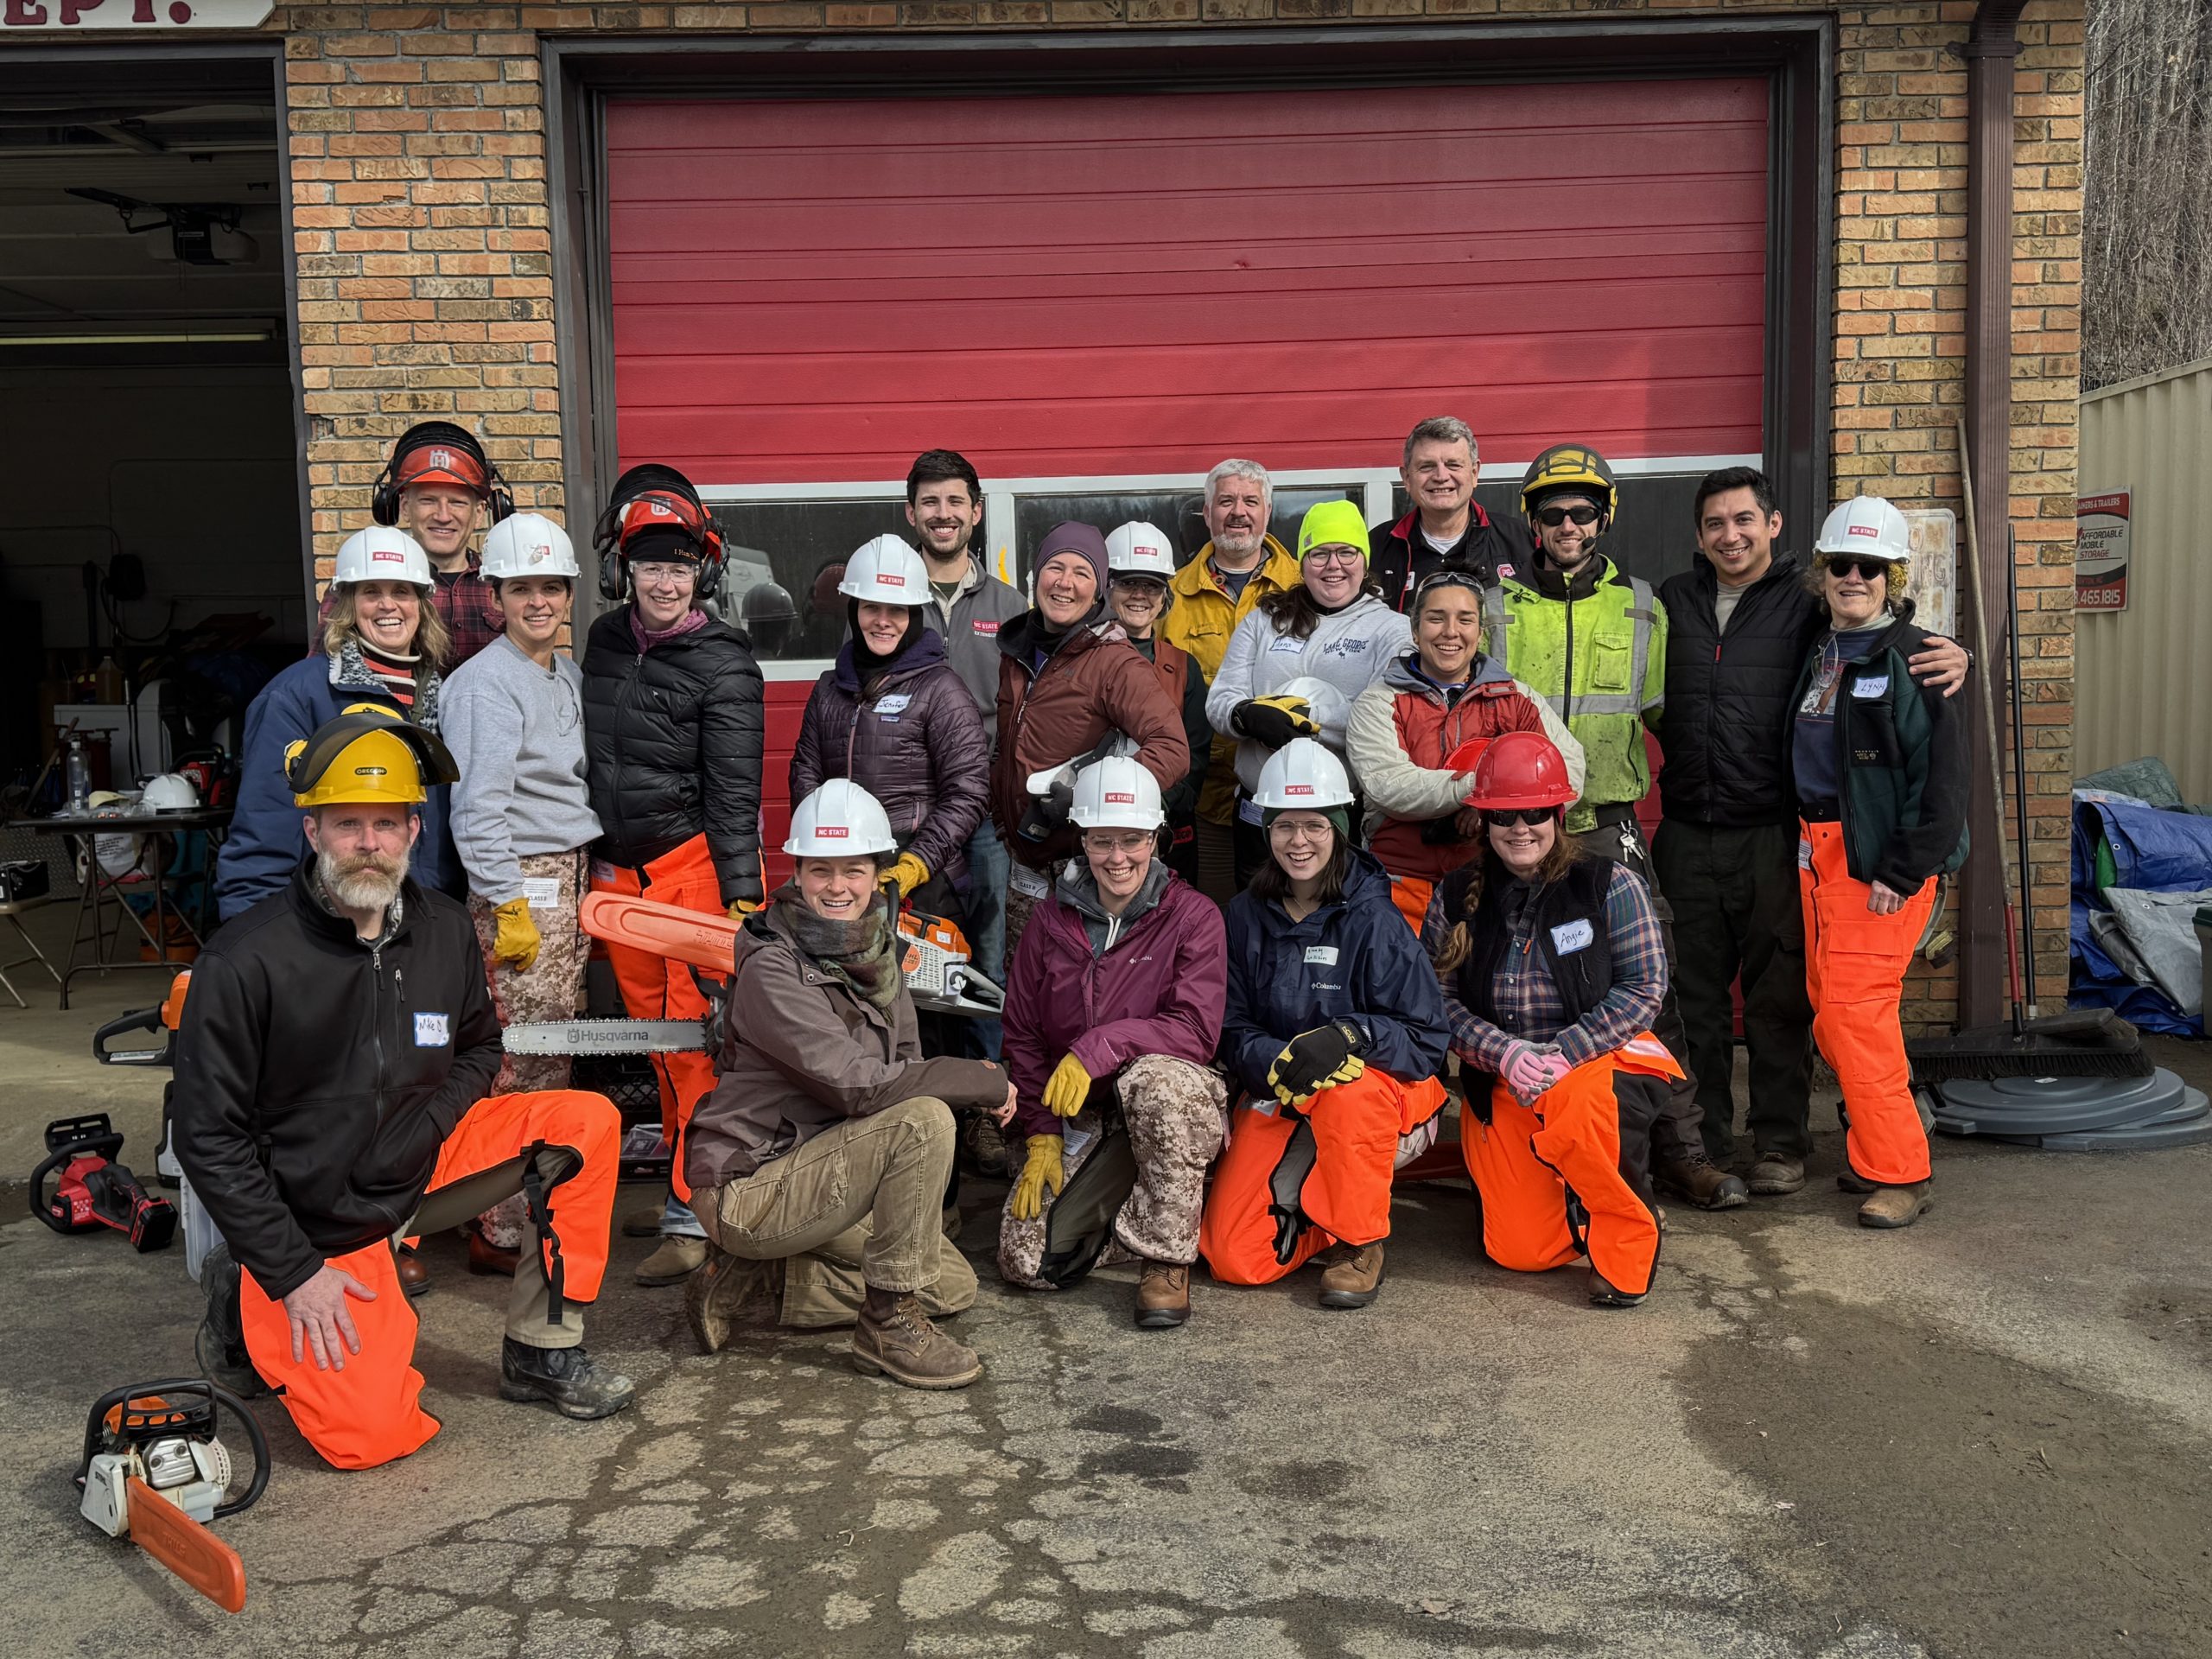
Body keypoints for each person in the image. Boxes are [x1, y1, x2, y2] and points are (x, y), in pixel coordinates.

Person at [174, 709, 629, 1471]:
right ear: (312, 830)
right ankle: (246, 1286)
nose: (369, 843)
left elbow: (481, 1046)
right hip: (319, 1223)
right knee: (371, 1440)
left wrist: (433, 1122)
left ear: (415, 832)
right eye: (347, 823)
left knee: (583, 1122)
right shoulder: (246, 962)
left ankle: (543, 1350)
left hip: (418, 1166)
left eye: (387, 823)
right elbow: (207, 1138)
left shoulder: (445, 930)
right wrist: (295, 1272)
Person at [1654, 467, 1968, 1197]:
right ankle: (1703, 1147)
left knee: (1785, 1003)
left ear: (1773, 525)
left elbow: (1899, 647)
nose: (1729, 535)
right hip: (1698, 831)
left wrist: (1955, 653)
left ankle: (1784, 1146)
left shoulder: (1809, 610)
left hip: (1781, 836)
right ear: (1700, 536)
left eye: (1743, 520)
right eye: (1714, 524)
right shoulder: (1675, 601)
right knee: (1698, 1000)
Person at [682, 780, 1019, 1388]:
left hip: (818, 1167)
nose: (838, 887)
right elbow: (862, 1086)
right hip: (751, 1184)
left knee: (950, 1285)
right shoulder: (772, 966)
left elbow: (907, 1058)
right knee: (924, 1119)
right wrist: (983, 1081)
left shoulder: (878, 949)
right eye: (820, 871)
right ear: (799, 871)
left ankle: (761, 1285)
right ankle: (886, 1326)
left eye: (854, 870)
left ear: (878, 873)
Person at [1491, 443, 1745, 1211]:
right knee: (1512, 983)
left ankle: (1682, 1151)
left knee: (1650, 988)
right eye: (1552, 512)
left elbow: (1677, 714)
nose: (1568, 524)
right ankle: (1523, 1152)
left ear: (1604, 517)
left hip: (1605, 825)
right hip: (1516, 827)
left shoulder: (1641, 605)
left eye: (1581, 511)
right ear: (1532, 522)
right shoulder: (1495, 606)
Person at [582, 463, 765, 1287]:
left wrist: (739, 894)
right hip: (617, 876)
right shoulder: (603, 641)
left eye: (680, 566)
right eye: (650, 563)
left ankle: (699, 1217)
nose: (664, 579)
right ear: (625, 570)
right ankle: (688, 1197)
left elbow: (734, 792)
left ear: (705, 573)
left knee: (697, 1047)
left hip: (688, 871)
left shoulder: (725, 663)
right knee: (655, 1048)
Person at [1422, 731, 1683, 1308]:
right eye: (1506, 815)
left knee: (1580, 1109)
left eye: (1536, 812)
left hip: (1600, 1062)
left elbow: (1646, 987)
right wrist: (1505, 1054)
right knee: (1520, 1251)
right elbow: (1438, 1002)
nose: (1522, 828)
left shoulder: (1610, 884)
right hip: (1508, 1076)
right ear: (1484, 821)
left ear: (1558, 813)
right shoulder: (1454, 894)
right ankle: (1568, 1198)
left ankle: (1626, 1247)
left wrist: (1566, 1051)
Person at [1199, 739, 1450, 1308]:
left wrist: (1349, 1037)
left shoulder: (1374, 918)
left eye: (1315, 825)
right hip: (1285, 1090)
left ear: (1340, 826)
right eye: (1284, 826)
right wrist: (1271, 1061)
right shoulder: (1242, 916)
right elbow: (1230, 1021)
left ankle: (1360, 1241)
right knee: (1234, 1258)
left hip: (1380, 1097)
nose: (1299, 842)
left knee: (1350, 1094)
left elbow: (1427, 1039)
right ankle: (1318, 1216)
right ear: (1266, 831)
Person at [996, 757, 1229, 1327]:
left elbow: (1196, 1031)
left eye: (1133, 840)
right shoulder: (1051, 920)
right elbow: (1023, 1034)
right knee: (1026, 1260)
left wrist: (1098, 1045)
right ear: (1082, 839)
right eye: (1103, 841)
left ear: (1156, 838)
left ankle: (1166, 1258)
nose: (1118, 857)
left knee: (1154, 1078)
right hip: (1091, 1120)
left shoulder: (1193, 916)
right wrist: (1042, 1135)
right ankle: (1149, 1206)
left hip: (1173, 1103)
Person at [1791, 497, 1968, 1229]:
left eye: (1869, 567)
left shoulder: (1917, 659)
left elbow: (1944, 780)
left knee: (1856, 1016)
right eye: (1841, 565)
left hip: (1878, 865)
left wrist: (1904, 869)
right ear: (1823, 573)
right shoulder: (1822, 648)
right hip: (1815, 854)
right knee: (1832, 1018)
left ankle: (1904, 1172)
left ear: (1893, 576)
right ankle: (1873, 1149)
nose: (1853, 577)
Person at [442, 512, 601, 1275]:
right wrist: (505, 901)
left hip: (569, 878)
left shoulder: (561, 673)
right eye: (522, 587)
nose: (539, 600)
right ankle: (494, 1228)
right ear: (495, 594)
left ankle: (531, 1208)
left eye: (551, 586)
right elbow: (476, 807)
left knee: (556, 1052)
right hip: (523, 884)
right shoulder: (485, 685)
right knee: (517, 1058)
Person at [790, 534, 990, 1050]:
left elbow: (968, 790)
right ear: (853, 608)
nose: (884, 620)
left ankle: (953, 1122)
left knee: (927, 1018)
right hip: (847, 876)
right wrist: (827, 854)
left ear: (915, 614)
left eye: (897, 610)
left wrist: (918, 862)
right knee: (846, 1005)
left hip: (923, 880)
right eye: (872, 607)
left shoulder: (941, 689)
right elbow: (805, 773)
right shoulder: (829, 688)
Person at [217, 524, 464, 923]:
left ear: (422, 604)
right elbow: (264, 832)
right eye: (371, 592)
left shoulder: (447, 696)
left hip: (424, 921)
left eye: (402, 591)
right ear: (348, 604)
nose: (388, 606)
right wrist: (252, 939)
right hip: (331, 925)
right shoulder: (297, 696)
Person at [1344, 564, 1584, 931]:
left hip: (1495, 880)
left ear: (1481, 632)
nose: (1450, 632)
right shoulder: (1379, 701)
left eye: (1465, 619)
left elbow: (1568, 771)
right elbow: (1388, 784)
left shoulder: (1515, 698)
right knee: (1401, 986)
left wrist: (1494, 811)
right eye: (1436, 619)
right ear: (1414, 629)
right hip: (1402, 883)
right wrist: (1478, 790)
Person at [989, 520, 1189, 953]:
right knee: (1027, 989)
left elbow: (1172, 750)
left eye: (1082, 573)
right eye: (1054, 568)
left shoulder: (1115, 662)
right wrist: (1004, 822)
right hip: (1024, 862)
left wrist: (1089, 796)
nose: (1065, 583)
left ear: (1098, 591)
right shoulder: (1018, 655)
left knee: (1089, 991)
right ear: (1036, 576)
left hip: (1090, 866)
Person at [1206, 499, 1411, 889]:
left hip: (1338, 808)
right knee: (1259, 921)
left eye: (1347, 552)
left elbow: (1388, 722)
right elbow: (1221, 698)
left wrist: (1308, 722)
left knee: (1333, 921)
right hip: (1260, 805)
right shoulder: (1264, 620)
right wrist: (1246, 716)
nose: (1333, 565)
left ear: (1364, 561)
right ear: (1302, 562)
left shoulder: (1391, 630)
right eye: (1319, 554)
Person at [907, 449, 1027, 1052]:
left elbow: (1028, 713)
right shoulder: (887, 602)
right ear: (911, 513)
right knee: (904, 948)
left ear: (976, 512)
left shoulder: (1010, 609)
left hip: (981, 811)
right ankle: (911, 1080)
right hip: (904, 805)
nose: (943, 513)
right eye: (931, 501)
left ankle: (985, 1091)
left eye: (955, 501)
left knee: (985, 948)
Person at [1162, 459, 1303, 903]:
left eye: (1250, 501)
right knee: (1216, 919)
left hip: (1291, 793)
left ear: (1268, 512)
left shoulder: (1305, 587)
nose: (1238, 512)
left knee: (1292, 910)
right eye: (1225, 501)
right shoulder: (1172, 596)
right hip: (1204, 800)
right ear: (1207, 514)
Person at [317, 420, 509, 666]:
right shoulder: (358, 582)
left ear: (480, 512)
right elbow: (324, 671)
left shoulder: (503, 582)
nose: (443, 515)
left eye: (457, 503)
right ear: (405, 507)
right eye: (428, 500)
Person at [1103, 521, 1211, 884]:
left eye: (1151, 586)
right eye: (1128, 583)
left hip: (1170, 827)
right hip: (1100, 830)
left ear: (1165, 596)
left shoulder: (1183, 666)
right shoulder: (1081, 658)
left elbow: (1195, 758)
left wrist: (1156, 805)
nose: (1140, 595)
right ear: (1107, 588)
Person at [1368, 416, 1536, 611]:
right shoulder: (1375, 549)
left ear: (1474, 473)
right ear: (1406, 478)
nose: (1441, 476)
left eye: (1453, 465)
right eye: (1427, 466)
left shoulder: (1523, 542)